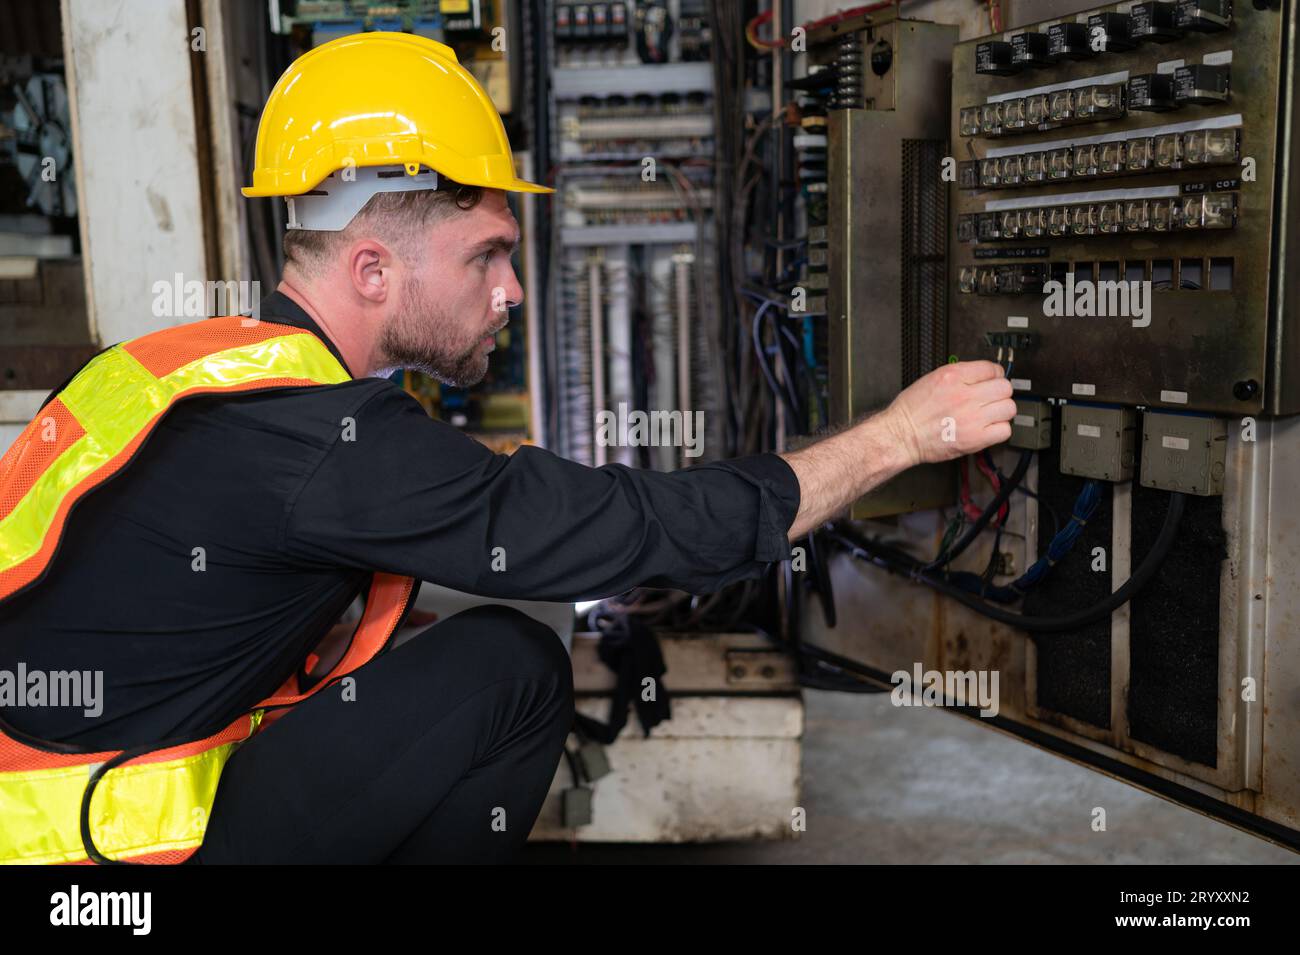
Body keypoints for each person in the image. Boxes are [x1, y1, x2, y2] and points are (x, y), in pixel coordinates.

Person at [0, 32, 1015, 865]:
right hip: (93, 859)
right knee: (510, 665)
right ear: (369, 269)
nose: (511, 291)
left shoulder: (189, 366)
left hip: (56, 795)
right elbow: (631, 530)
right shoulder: (325, 441)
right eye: (485, 255)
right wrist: (900, 435)